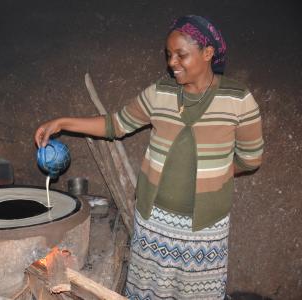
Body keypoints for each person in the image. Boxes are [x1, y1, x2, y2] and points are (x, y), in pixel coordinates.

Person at [35, 15, 263, 300]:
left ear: (208, 53)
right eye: (169, 55)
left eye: (182, 55)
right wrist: (62, 122)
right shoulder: (160, 93)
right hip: (154, 221)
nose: (172, 63)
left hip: (204, 229)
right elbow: (115, 124)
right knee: (148, 292)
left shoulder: (238, 100)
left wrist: (214, 177)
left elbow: (251, 158)